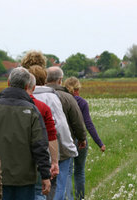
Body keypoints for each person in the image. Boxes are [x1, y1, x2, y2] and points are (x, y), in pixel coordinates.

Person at [0, 67, 51, 200]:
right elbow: (40, 145)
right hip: (25, 178)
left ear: (8, 82)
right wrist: (45, 175)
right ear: (26, 86)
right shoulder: (32, 110)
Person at [26, 65, 78, 200]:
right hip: (50, 149)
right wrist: (68, 148)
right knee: (54, 186)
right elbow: (59, 126)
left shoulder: (20, 99)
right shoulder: (51, 98)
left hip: (25, 152)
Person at [64, 77, 106, 200]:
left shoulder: (61, 100)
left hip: (66, 139)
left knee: (67, 171)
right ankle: (80, 198)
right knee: (79, 171)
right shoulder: (82, 103)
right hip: (81, 139)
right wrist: (100, 143)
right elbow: (88, 124)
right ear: (77, 89)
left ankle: (68, 197)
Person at [26, 73, 59, 200]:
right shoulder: (42, 107)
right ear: (33, 88)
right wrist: (54, 161)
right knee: (39, 192)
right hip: (37, 160)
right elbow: (51, 135)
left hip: (8, 163)